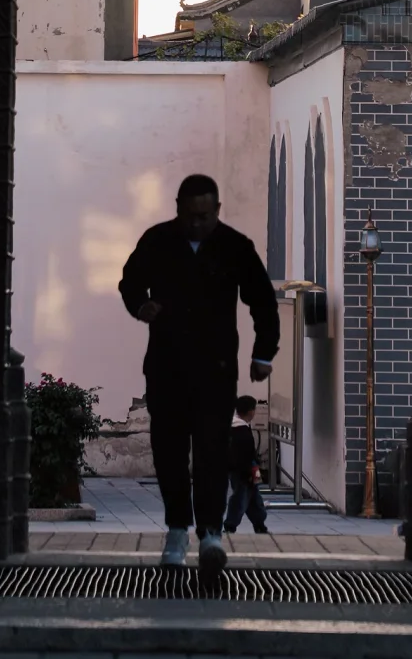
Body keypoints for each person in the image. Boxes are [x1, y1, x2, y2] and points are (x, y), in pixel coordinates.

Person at [119, 173, 279, 575]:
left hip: (215, 368)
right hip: (167, 367)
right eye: (190, 216)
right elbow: (130, 282)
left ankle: (210, 533)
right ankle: (177, 528)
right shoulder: (157, 241)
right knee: (169, 452)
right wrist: (141, 306)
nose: (196, 224)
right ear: (178, 209)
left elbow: (262, 301)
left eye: (205, 216)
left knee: (211, 451)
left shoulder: (235, 247)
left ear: (217, 211)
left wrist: (263, 355)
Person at [224, 395, 268, 534]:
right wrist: (248, 473)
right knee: (240, 498)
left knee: (254, 496)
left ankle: (259, 523)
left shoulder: (234, 427)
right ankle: (230, 524)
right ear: (250, 412)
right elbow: (244, 455)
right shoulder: (242, 432)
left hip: (242, 470)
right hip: (244, 471)